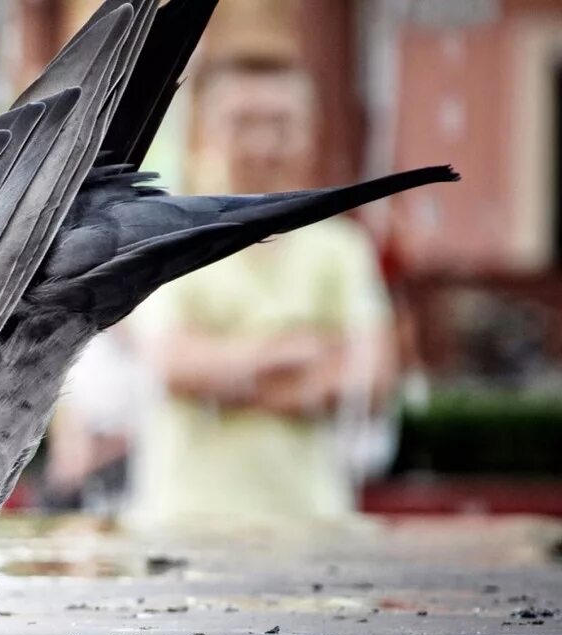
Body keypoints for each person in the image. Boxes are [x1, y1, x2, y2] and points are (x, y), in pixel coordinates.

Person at [126, 54, 398, 530]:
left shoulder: (343, 249)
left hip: (316, 524)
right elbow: (171, 363)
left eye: (281, 123)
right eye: (243, 123)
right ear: (204, 133)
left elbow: (371, 378)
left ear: (309, 131)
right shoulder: (168, 237)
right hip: (184, 526)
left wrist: (226, 368)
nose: (263, 143)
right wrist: (297, 352)